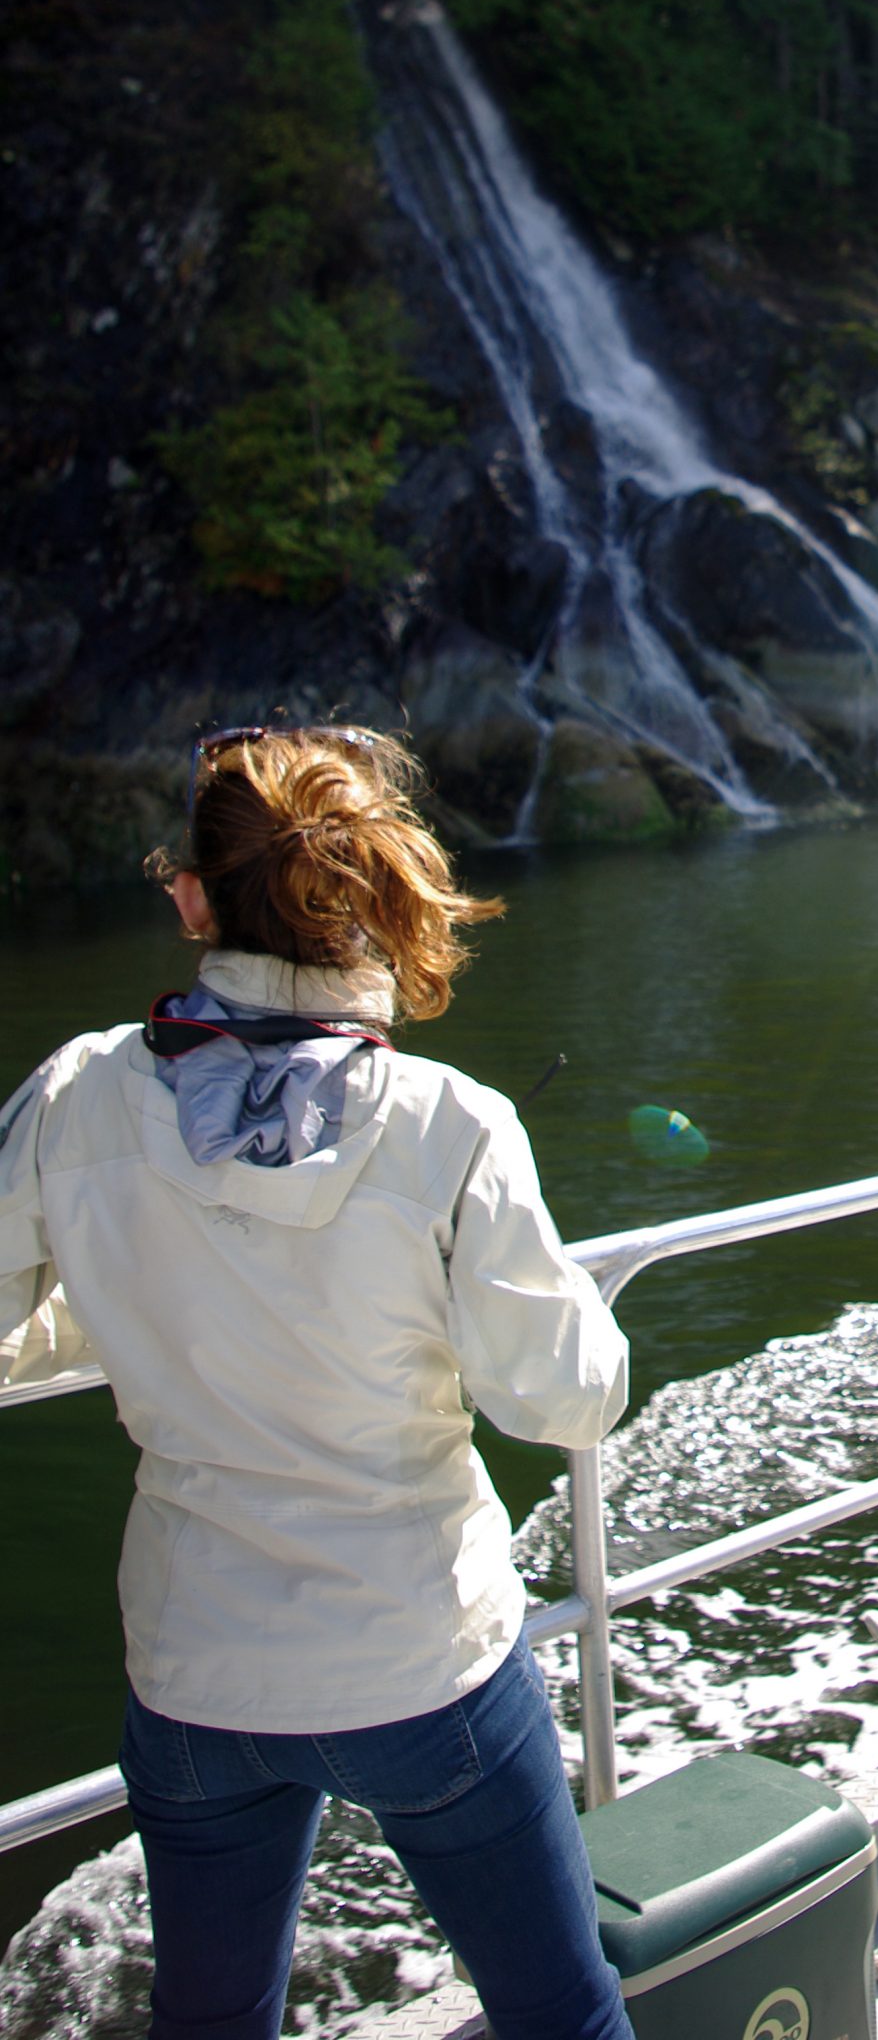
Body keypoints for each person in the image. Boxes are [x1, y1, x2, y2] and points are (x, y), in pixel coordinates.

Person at [0, 724, 635, 2040]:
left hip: (194, 1672)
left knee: (212, 2024)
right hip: (422, 1671)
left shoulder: (72, 1096)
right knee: (558, 2015)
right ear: (369, 894)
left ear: (189, 897)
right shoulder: (449, 1123)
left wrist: (107, 1317)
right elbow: (563, 1401)